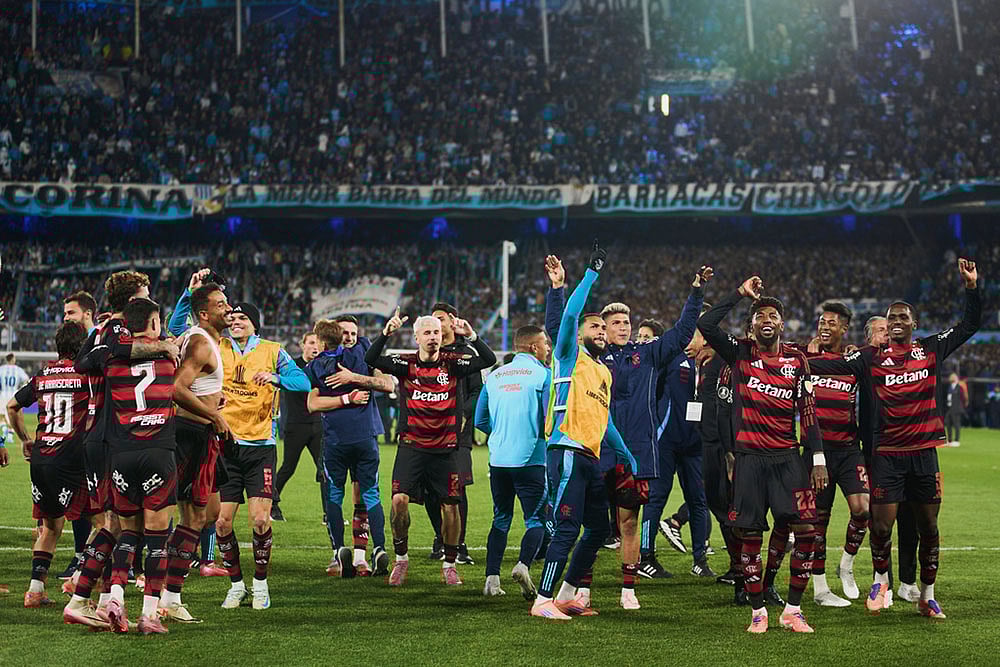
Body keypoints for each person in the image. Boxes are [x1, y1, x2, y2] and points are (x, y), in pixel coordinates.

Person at [808, 259, 981, 619]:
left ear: (913, 325)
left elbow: (970, 325)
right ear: (886, 327)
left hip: (923, 453)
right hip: (886, 455)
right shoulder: (870, 358)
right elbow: (834, 365)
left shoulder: (930, 350)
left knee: (929, 526)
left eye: (903, 318)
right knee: (882, 526)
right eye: (892, 319)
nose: (898, 323)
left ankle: (927, 595)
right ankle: (881, 581)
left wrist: (971, 288)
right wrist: (797, 358)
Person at [697, 275, 827, 634]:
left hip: (788, 458)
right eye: (759, 316)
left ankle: (794, 610)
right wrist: (739, 293)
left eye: (772, 315)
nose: (766, 320)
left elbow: (809, 410)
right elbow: (705, 324)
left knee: (807, 532)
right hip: (750, 460)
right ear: (751, 325)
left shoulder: (798, 361)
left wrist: (817, 458)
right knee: (749, 536)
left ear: (781, 324)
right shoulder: (738, 352)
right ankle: (758, 611)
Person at [530, 243, 638, 620]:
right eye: (595, 326)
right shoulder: (568, 354)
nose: (603, 332)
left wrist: (625, 452)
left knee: (596, 529)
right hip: (566, 450)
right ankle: (542, 601)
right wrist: (580, 277)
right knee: (567, 526)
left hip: (592, 456)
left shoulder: (602, 371)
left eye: (603, 328)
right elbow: (570, 314)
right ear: (578, 333)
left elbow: (604, 419)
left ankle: (568, 594)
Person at [66, 271, 178, 611]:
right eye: (144, 295)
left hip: (101, 434)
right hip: (110, 434)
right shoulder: (115, 330)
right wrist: (163, 346)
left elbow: (84, 361)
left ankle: (100, 597)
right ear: (133, 302)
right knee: (115, 525)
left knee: (116, 523)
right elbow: (100, 357)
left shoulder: (102, 330)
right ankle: (87, 597)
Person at [364, 307, 496, 586]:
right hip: (412, 446)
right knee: (399, 501)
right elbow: (371, 357)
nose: (433, 337)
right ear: (416, 337)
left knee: (451, 505)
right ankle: (401, 560)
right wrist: (386, 333)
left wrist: (471, 335)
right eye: (427, 332)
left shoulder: (454, 363)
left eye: (436, 332)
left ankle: (449, 563)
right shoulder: (405, 363)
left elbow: (488, 359)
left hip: (446, 449)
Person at [215, 302, 311, 610]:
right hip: (226, 447)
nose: (236, 322)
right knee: (222, 523)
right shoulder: (217, 346)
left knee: (259, 520)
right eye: (232, 318)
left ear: (255, 323)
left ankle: (260, 584)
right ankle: (235, 585)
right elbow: (178, 330)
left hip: (260, 448)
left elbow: (304, 382)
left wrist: (275, 378)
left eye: (243, 318)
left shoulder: (273, 351)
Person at [99, 298, 179, 635]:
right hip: (158, 450)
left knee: (128, 531)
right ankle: (149, 615)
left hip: (123, 453)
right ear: (155, 323)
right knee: (159, 539)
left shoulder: (111, 362)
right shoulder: (169, 357)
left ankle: (115, 596)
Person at [6, 322, 90, 609]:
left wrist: (25, 439)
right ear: (82, 347)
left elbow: (11, 406)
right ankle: (81, 578)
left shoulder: (43, 374)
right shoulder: (85, 375)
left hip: (41, 458)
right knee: (103, 522)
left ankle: (35, 590)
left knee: (50, 528)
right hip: (70, 458)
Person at [164, 283, 234, 622]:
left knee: (207, 514)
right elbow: (176, 387)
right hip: (188, 435)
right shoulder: (199, 342)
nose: (228, 307)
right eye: (221, 304)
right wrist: (214, 414)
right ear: (204, 313)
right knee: (187, 517)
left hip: (200, 434)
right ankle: (168, 594)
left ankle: (165, 589)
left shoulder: (211, 342)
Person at [794, 302, 870, 607]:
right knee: (816, 524)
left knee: (863, 508)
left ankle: (847, 565)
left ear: (844, 329)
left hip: (849, 450)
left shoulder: (853, 361)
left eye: (831, 323)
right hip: (815, 452)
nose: (824, 328)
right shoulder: (805, 357)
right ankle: (821, 588)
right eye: (821, 322)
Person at [305, 319, 392, 579]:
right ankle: (378, 547)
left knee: (334, 494)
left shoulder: (314, 368)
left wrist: (343, 397)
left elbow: (312, 404)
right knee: (371, 494)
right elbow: (384, 377)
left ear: (321, 342)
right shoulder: (362, 351)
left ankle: (339, 548)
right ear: (341, 337)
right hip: (365, 437)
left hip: (336, 440)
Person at [475, 324, 551, 599]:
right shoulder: (544, 375)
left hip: (499, 460)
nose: (548, 349)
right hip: (531, 458)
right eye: (545, 344)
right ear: (533, 347)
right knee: (535, 520)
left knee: (501, 518)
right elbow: (548, 420)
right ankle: (523, 565)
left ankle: (491, 579)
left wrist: (502, 435)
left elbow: (479, 420)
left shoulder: (495, 376)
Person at [645, 298, 716, 580]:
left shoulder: (714, 361)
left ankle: (700, 559)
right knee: (656, 498)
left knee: (699, 500)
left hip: (696, 443)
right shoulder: (671, 355)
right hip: (666, 440)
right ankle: (645, 557)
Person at [426, 302, 483, 565]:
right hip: (428, 431)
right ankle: (441, 537)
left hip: (457, 434)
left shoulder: (466, 353)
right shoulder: (427, 352)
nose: (435, 324)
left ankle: (459, 545)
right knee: (429, 490)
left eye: (440, 319)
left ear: (452, 321)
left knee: (456, 489)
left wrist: (462, 416)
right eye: (432, 320)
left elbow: (476, 392)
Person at [57, 291, 98, 581]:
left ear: (87, 313)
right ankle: (81, 555)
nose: (66, 319)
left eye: (70, 313)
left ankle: (130, 562)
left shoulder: (101, 339)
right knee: (81, 501)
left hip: (103, 433)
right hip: (79, 439)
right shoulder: (74, 346)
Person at [271, 331, 324, 522]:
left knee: (323, 470)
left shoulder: (324, 366)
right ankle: (272, 505)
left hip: (318, 425)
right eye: (311, 342)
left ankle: (329, 514)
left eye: (318, 343)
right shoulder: (291, 367)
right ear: (302, 345)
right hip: (296, 425)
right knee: (288, 468)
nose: (315, 346)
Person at [943, 372, 966, 446]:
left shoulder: (959, 387)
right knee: (948, 423)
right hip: (949, 408)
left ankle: (956, 440)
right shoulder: (950, 387)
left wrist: (960, 406)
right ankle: (949, 440)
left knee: (956, 424)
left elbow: (963, 398)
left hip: (956, 408)